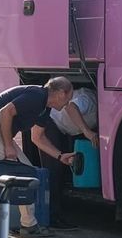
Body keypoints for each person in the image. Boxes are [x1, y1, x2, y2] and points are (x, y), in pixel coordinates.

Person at [0, 77, 78, 238]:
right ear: (60, 93)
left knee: (26, 174)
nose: (67, 104)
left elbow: (38, 138)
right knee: (9, 179)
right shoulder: (36, 96)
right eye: (68, 98)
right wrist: (8, 146)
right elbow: (5, 112)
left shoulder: (45, 108)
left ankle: (29, 225)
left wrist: (59, 156)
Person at [31, 86, 98, 228]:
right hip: (50, 124)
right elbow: (71, 107)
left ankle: (55, 214)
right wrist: (87, 131)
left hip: (64, 129)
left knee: (62, 169)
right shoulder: (91, 99)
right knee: (54, 171)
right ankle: (50, 218)